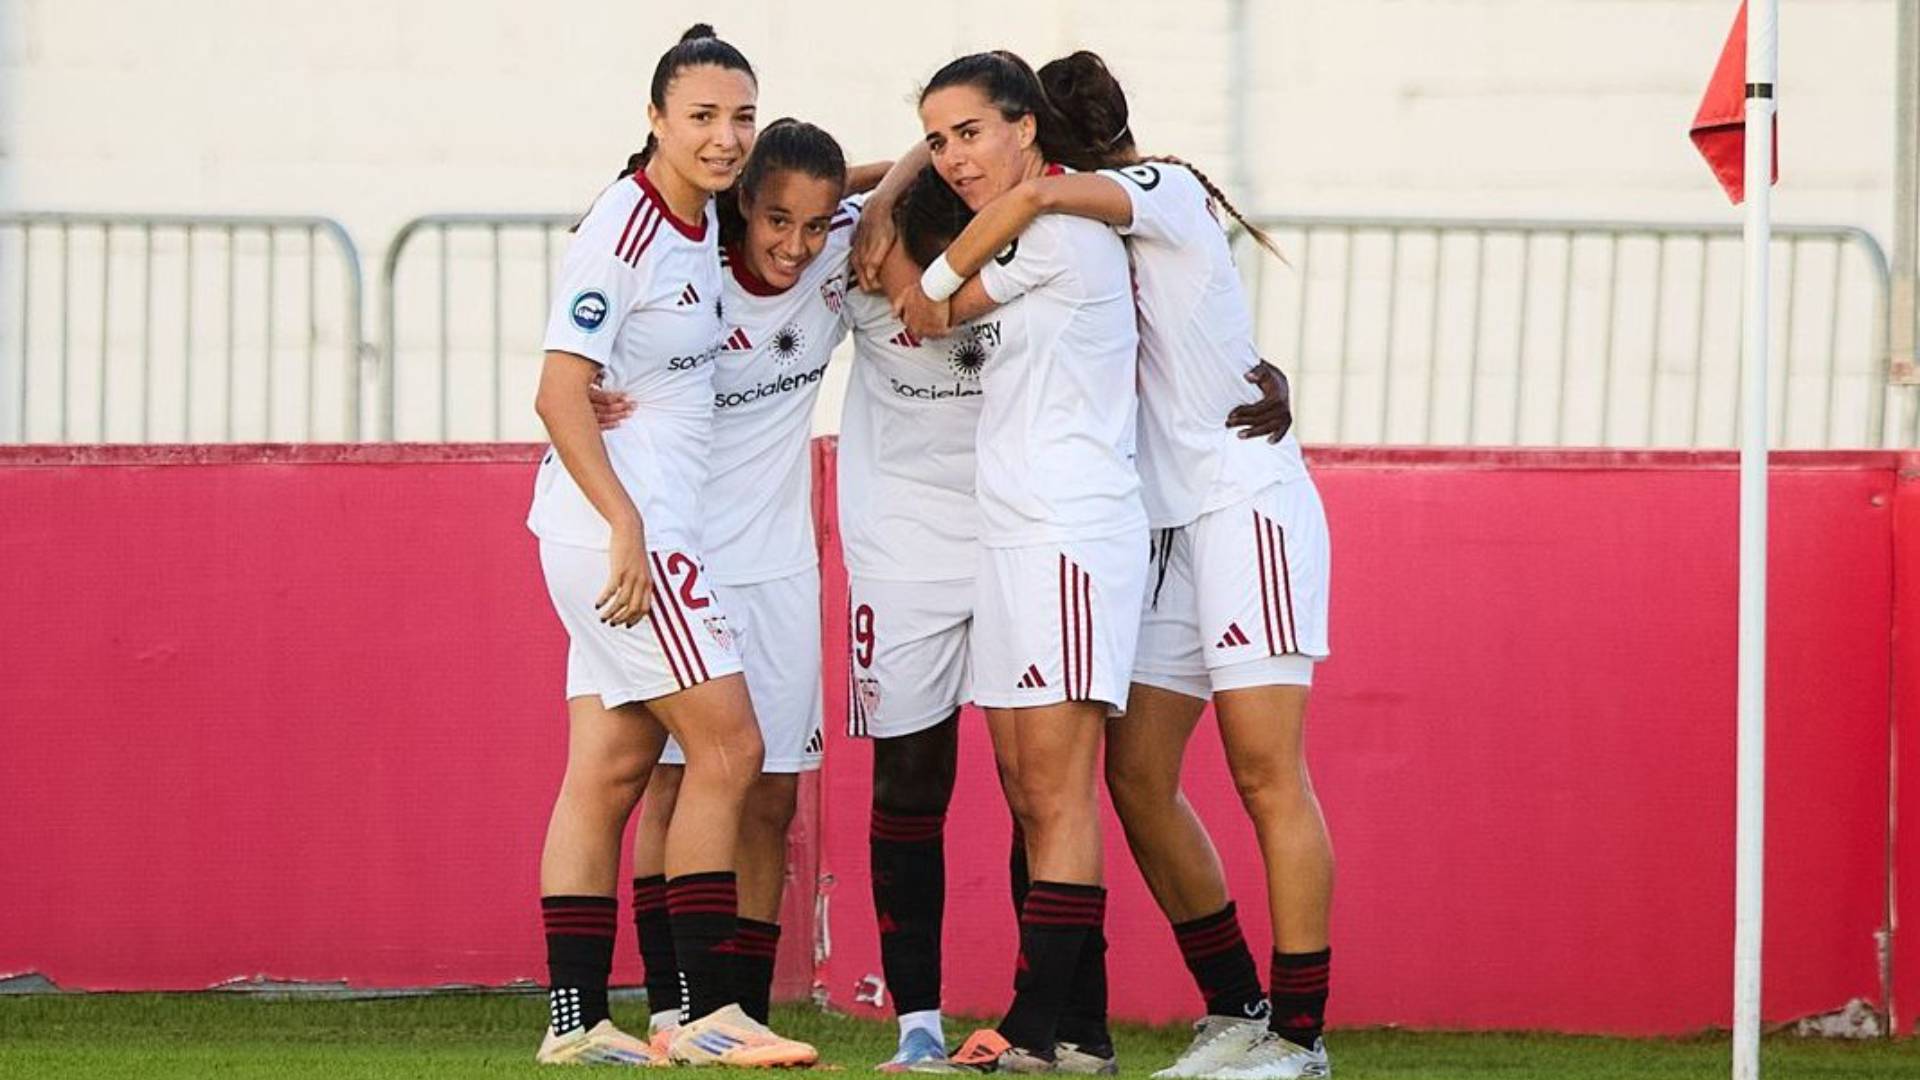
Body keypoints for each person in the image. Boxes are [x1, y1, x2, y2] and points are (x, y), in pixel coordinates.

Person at [903, 51, 1334, 1080]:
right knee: (1138, 776)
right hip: (1164, 524)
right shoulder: (1078, 232)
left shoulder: (1152, 191)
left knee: (1266, 770)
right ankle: (1235, 1006)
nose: (968, 157)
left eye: (994, 131)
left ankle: (1299, 1039)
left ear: (1043, 131)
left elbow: (1033, 196)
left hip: (1243, 505)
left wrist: (935, 268)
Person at [524, 23, 814, 1068]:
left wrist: (903, 161)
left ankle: (575, 1025)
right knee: (730, 750)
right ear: (655, 120)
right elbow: (559, 391)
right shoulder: (623, 230)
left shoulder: (693, 213)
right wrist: (628, 525)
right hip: (624, 541)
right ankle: (704, 1017)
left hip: (616, 530)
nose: (726, 137)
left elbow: (814, 179)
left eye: (741, 116)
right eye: (702, 117)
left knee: (609, 770)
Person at [897, 50, 1149, 1075]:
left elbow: (925, 306)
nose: (955, 158)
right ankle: (1079, 1029)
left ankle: (1040, 1026)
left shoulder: (1057, 232)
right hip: (1012, 537)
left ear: (1028, 129)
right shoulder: (1026, 229)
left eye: (971, 133)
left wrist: (914, 245)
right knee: (1024, 786)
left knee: (1055, 792)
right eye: (940, 140)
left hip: (1068, 536)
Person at [611, 117, 864, 1041]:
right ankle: (678, 1008)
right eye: (776, 221)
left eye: (814, 223)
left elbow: (906, 180)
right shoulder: (683, 281)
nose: (796, 245)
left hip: (783, 569)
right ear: (739, 206)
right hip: (688, 557)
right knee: (674, 785)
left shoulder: (834, 252)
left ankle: (745, 1016)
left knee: (774, 796)